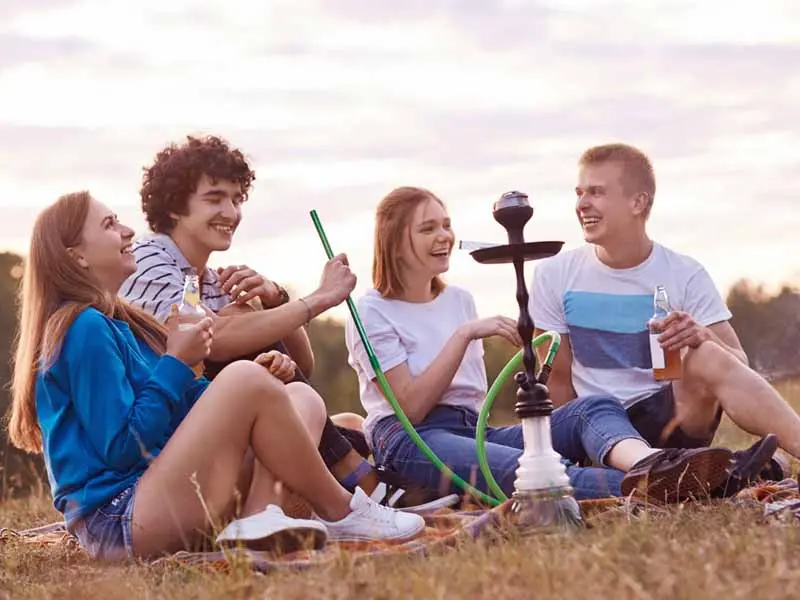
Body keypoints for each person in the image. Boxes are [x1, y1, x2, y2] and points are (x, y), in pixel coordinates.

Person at [6, 191, 425, 561]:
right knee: (244, 378)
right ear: (76, 255)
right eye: (110, 224)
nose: (129, 230)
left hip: (160, 494)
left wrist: (249, 388)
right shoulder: (83, 328)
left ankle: (260, 518)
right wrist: (176, 364)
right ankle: (343, 509)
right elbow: (121, 448)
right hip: (119, 519)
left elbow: (177, 419)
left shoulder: (119, 323)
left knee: (300, 396)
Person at [344, 186, 757, 505]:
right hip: (409, 438)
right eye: (428, 228)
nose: (445, 236)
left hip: (472, 428)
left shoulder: (458, 299)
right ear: (396, 240)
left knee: (593, 408)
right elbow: (410, 408)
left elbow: (469, 398)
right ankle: (703, 483)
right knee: (540, 471)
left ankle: (651, 464)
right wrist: (463, 335)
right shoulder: (371, 312)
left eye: (446, 224)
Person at [120, 134, 452, 512]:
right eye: (215, 198)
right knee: (246, 332)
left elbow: (302, 365)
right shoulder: (148, 260)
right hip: (163, 448)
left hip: (213, 428)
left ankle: (353, 476)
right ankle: (360, 479)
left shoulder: (212, 279)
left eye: (236, 199)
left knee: (351, 424)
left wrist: (275, 297)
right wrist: (319, 299)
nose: (231, 212)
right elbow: (218, 341)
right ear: (174, 206)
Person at [528, 142, 795, 483]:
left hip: (673, 417)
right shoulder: (555, 275)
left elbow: (737, 368)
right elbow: (558, 383)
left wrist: (703, 335)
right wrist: (566, 461)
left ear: (638, 202)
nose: (582, 204)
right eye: (579, 193)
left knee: (706, 354)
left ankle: (734, 459)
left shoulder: (685, 272)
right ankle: (710, 471)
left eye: (596, 192)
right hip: (600, 427)